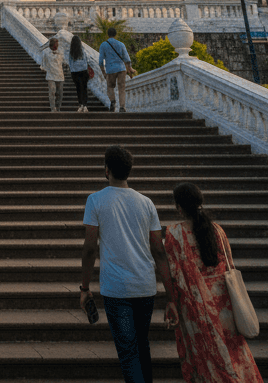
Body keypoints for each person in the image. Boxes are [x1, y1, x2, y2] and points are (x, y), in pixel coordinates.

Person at [81, 145, 179, 383]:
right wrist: (172, 297)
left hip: (116, 288)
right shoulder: (146, 203)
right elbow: (158, 250)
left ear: (107, 170)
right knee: (141, 345)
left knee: (127, 351)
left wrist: (84, 288)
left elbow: (90, 247)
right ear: (129, 171)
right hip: (145, 285)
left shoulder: (95, 201)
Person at [164, 183, 263, 383]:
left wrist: (171, 302)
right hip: (224, 302)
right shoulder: (217, 230)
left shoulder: (174, 234)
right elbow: (229, 264)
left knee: (205, 355)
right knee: (232, 351)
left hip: (196, 306)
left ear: (179, 207)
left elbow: (174, 273)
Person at [99, 28, 134, 113]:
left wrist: (104, 72)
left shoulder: (103, 45)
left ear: (108, 34)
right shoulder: (121, 44)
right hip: (121, 69)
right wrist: (129, 68)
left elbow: (100, 61)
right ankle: (122, 107)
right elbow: (127, 59)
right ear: (115, 34)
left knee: (110, 87)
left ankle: (113, 101)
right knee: (121, 88)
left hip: (110, 69)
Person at [68, 35, 93, 113]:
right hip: (83, 71)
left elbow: (70, 63)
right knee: (84, 88)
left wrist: (72, 72)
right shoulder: (83, 50)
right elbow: (87, 59)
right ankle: (85, 105)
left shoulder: (71, 52)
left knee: (78, 89)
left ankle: (80, 105)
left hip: (75, 72)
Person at [41, 35, 65, 112]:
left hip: (60, 75)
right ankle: (52, 108)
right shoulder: (46, 52)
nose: (56, 47)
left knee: (59, 93)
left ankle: (58, 107)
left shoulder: (61, 51)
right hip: (50, 74)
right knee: (52, 92)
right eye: (55, 45)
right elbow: (43, 63)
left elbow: (63, 61)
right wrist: (44, 69)